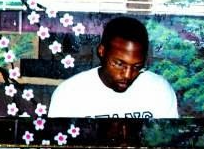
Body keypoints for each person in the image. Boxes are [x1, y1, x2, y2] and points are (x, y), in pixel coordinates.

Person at [48, 16, 178, 118]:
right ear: (102, 51)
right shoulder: (70, 94)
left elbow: (168, 141)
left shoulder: (158, 90)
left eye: (137, 66)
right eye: (119, 64)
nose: (128, 75)